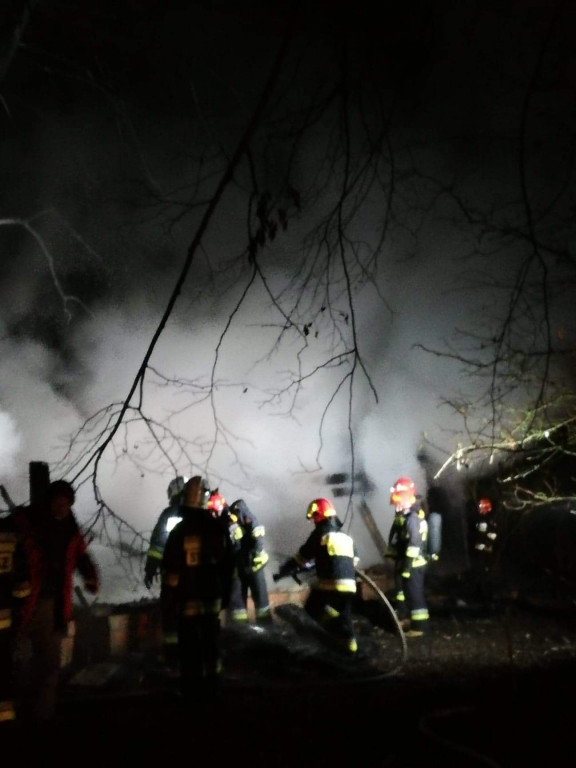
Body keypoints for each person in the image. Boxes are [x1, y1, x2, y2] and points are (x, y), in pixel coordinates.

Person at [13, 479, 100, 724]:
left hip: (53, 605)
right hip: (22, 603)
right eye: (58, 502)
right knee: (16, 658)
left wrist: (91, 577)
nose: (62, 508)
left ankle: (42, 718)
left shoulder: (71, 530)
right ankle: (16, 710)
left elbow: (80, 556)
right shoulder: (26, 523)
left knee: (49, 663)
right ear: (49, 502)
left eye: (66, 503)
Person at [160, 476, 235, 709]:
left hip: (188, 601)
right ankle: (214, 690)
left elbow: (171, 570)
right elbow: (228, 566)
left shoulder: (180, 531)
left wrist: (169, 598)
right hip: (212, 599)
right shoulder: (218, 528)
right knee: (211, 647)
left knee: (190, 648)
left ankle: (191, 696)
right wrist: (226, 596)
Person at [274, 497, 359, 654]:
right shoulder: (345, 536)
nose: (313, 521)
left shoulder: (320, 533)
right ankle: (350, 647)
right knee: (344, 614)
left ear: (319, 515)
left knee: (313, 607)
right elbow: (354, 559)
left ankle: (333, 632)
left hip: (331, 584)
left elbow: (302, 557)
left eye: (314, 517)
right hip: (351, 585)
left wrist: (284, 569)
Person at [386, 477, 430, 637]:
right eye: (396, 500)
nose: (397, 503)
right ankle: (407, 619)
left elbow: (414, 544)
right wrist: (392, 553)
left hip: (415, 564)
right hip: (407, 562)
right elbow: (398, 539)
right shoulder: (404, 517)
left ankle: (420, 627)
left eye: (400, 500)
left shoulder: (412, 519)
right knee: (405, 592)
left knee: (415, 594)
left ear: (408, 499)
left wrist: (407, 566)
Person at [219, 496, 272, 626]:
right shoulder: (237, 523)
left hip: (253, 567)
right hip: (242, 567)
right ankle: (241, 629)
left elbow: (257, 537)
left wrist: (258, 553)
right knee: (238, 603)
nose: (235, 517)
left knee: (261, 602)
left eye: (236, 513)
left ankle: (267, 629)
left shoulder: (251, 522)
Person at [0, 507, 31, 725]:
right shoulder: (10, 537)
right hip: (5, 619)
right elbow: (22, 583)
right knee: (4, 667)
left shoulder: (9, 537)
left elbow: (22, 581)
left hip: (5, 619)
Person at [143, 476, 188, 589]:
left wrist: (151, 568)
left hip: (174, 568)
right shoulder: (202, 513)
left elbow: (158, 543)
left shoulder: (170, 513)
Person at [469, 497, 498, 610]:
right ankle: (480, 597)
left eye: (481, 507)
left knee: (484, 576)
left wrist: (485, 545)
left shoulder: (489, 521)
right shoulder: (481, 519)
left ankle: (486, 599)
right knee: (479, 574)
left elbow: (491, 536)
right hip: (480, 552)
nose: (479, 509)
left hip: (485, 554)